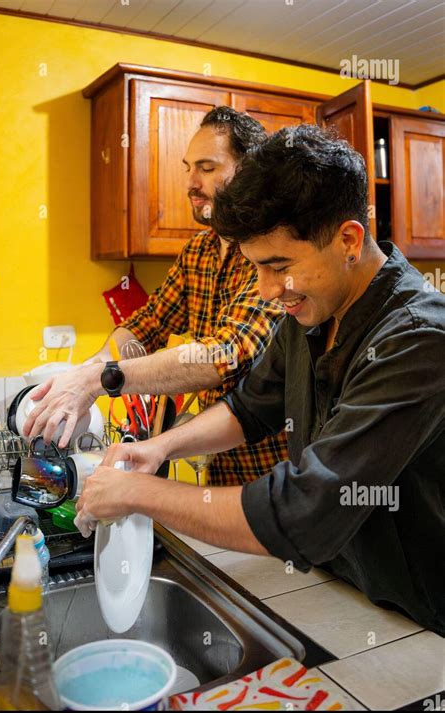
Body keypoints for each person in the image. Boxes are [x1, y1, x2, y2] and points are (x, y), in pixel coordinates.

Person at [76, 124, 445, 635]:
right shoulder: (311, 311)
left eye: (279, 266)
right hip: (344, 592)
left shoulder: (420, 339)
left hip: (424, 624)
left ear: (348, 241)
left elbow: (306, 511)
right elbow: (250, 409)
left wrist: (136, 492)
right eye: (256, 270)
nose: (269, 291)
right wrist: (159, 450)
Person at [23, 107, 288, 486]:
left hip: (276, 478)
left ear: (248, 172)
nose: (191, 183)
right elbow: (144, 328)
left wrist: (101, 379)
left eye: (207, 168)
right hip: (219, 476)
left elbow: (223, 354)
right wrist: (84, 373)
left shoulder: (273, 250)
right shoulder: (199, 250)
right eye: (188, 168)